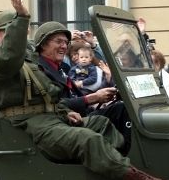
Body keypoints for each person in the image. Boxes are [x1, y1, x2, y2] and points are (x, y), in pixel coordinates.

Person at [0, 0, 169, 180]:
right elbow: (9, 55)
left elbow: (46, 96)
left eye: (21, 31)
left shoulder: (27, 61)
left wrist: (65, 111)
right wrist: (21, 18)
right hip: (29, 125)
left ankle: (122, 171)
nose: (19, 37)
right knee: (88, 140)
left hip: (49, 119)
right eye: (11, 32)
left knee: (100, 124)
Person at [35, 21, 133, 152]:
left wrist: (100, 98)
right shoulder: (39, 70)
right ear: (43, 44)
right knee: (121, 111)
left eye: (66, 42)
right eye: (58, 41)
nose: (64, 46)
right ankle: (125, 158)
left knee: (121, 107)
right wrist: (92, 98)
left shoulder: (60, 68)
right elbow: (55, 103)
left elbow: (95, 65)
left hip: (82, 114)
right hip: (66, 123)